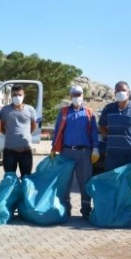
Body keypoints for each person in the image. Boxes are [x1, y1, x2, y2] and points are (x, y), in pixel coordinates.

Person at [99, 81, 131, 226]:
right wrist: (112, 137)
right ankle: (114, 211)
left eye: (123, 90)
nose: (120, 92)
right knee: (113, 181)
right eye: (118, 90)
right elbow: (102, 126)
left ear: (129, 92)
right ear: (114, 93)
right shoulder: (108, 109)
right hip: (113, 153)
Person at [51, 86, 99, 220]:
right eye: (74, 94)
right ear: (70, 95)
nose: (76, 96)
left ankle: (86, 211)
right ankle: (66, 210)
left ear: (83, 95)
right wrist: (53, 148)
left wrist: (95, 148)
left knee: (85, 183)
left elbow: (94, 132)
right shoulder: (64, 112)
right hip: (67, 152)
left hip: (84, 153)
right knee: (65, 184)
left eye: (79, 94)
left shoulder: (89, 112)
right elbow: (57, 130)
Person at [0, 85, 37, 178]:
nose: (17, 97)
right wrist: (10, 135)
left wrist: (25, 134)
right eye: (15, 95)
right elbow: (1, 127)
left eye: (19, 94)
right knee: (9, 179)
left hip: (26, 151)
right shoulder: (5, 110)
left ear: (24, 95)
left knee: (26, 178)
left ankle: (24, 193)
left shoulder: (30, 109)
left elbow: (33, 126)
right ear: (11, 96)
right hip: (9, 151)